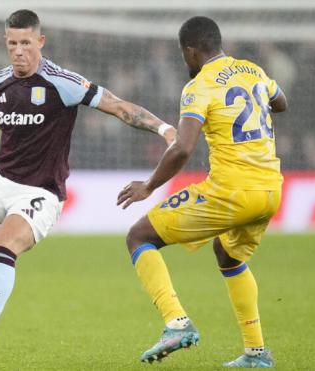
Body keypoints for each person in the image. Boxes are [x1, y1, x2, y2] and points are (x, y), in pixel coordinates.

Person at [0, 9, 176, 363]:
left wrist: (164, 130)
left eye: (25, 43)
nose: (18, 50)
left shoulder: (62, 82)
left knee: (2, 245)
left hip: (40, 193)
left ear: (40, 42)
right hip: (0, 180)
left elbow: (116, 106)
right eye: (11, 44)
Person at [117, 16, 287, 368]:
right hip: (270, 190)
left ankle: (176, 323)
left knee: (139, 236)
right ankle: (256, 353)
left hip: (232, 191)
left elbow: (182, 148)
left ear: (191, 52)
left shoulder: (199, 86)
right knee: (228, 255)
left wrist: (148, 186)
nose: (185, 62)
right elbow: (281, 101)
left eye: (184, 56)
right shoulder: (252, 70)